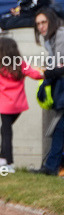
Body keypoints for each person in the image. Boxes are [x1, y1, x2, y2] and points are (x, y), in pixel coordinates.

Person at [0, 36, 41, 172]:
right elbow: (35, 74)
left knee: (7, 133)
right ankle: (1, 159)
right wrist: (45, 73)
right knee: (4, 130)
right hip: (19, 107)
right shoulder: (20, 65)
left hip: (6, 108)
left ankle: (9, 163)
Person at [35, 10, 64, 175]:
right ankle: (52, 166)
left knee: (59, 127)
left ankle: (52, 167)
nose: (41, 26)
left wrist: (46, 73)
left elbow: (59, 67)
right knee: (59, 128)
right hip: (60, 87)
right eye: (38, 23)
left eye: (43, 22)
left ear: (51, 21)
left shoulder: (60, 35)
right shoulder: (50, 40)